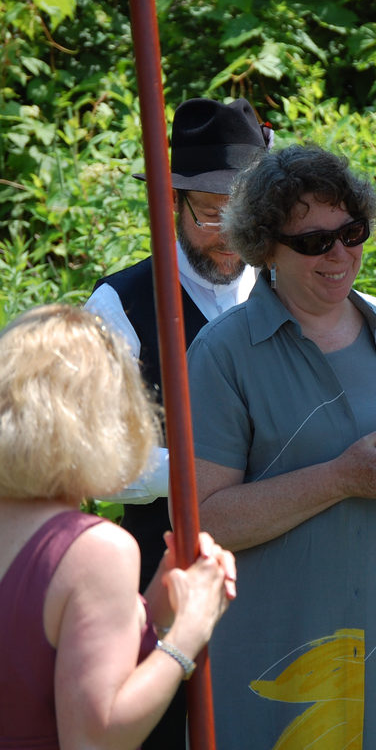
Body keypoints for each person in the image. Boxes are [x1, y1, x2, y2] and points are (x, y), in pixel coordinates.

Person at [186, 144, 376, 749]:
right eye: (314, 241)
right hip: (286, 655)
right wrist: (341, 478)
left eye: (352, 232)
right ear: (265, 246)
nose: (340, 254)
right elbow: (204, 520)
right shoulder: (224, 353)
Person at [84, 97, 267, 748]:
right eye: (210, 213)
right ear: (173, 204)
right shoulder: (120, 303)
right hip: (163, 584)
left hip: (278, 579)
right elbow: (96, 461)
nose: (226, 231)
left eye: (242, 214)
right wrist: (203, 473)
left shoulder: (292, 288)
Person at [0, 304, 236, 750]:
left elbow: (39, 654)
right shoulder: (94, 550)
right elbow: (94, 739)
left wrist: (152, 608)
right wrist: (190, 627)